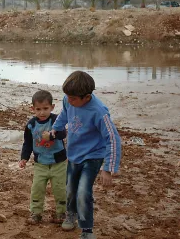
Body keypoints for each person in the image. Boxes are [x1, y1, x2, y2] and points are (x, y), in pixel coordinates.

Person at [51, 71, 122, 239]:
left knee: (83, 191)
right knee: (70, 189)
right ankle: (71, 213)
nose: (69, 100)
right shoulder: (69, 100)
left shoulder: (99, 111)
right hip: (74, 153)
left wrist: (108, 168)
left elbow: (113, 138)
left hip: (93, 156)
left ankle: (87, 229)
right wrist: (55, 129)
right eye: (67, 96)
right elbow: (64, 115)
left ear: (87, 96)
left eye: (73, 98)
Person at [19, 90, 67, 225]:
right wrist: (24, 158)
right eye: (38, 109)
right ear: (32, 109)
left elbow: (63, 133)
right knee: (37, 189)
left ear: (52, 107)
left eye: (45, 108)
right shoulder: (31, 125)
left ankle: (61, 213)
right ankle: (36, 213)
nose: (42, 112)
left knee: (60, 189)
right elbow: (27, 143)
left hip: (59, 163)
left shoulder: (56, 120)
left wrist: (52, 135)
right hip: (40, 163)